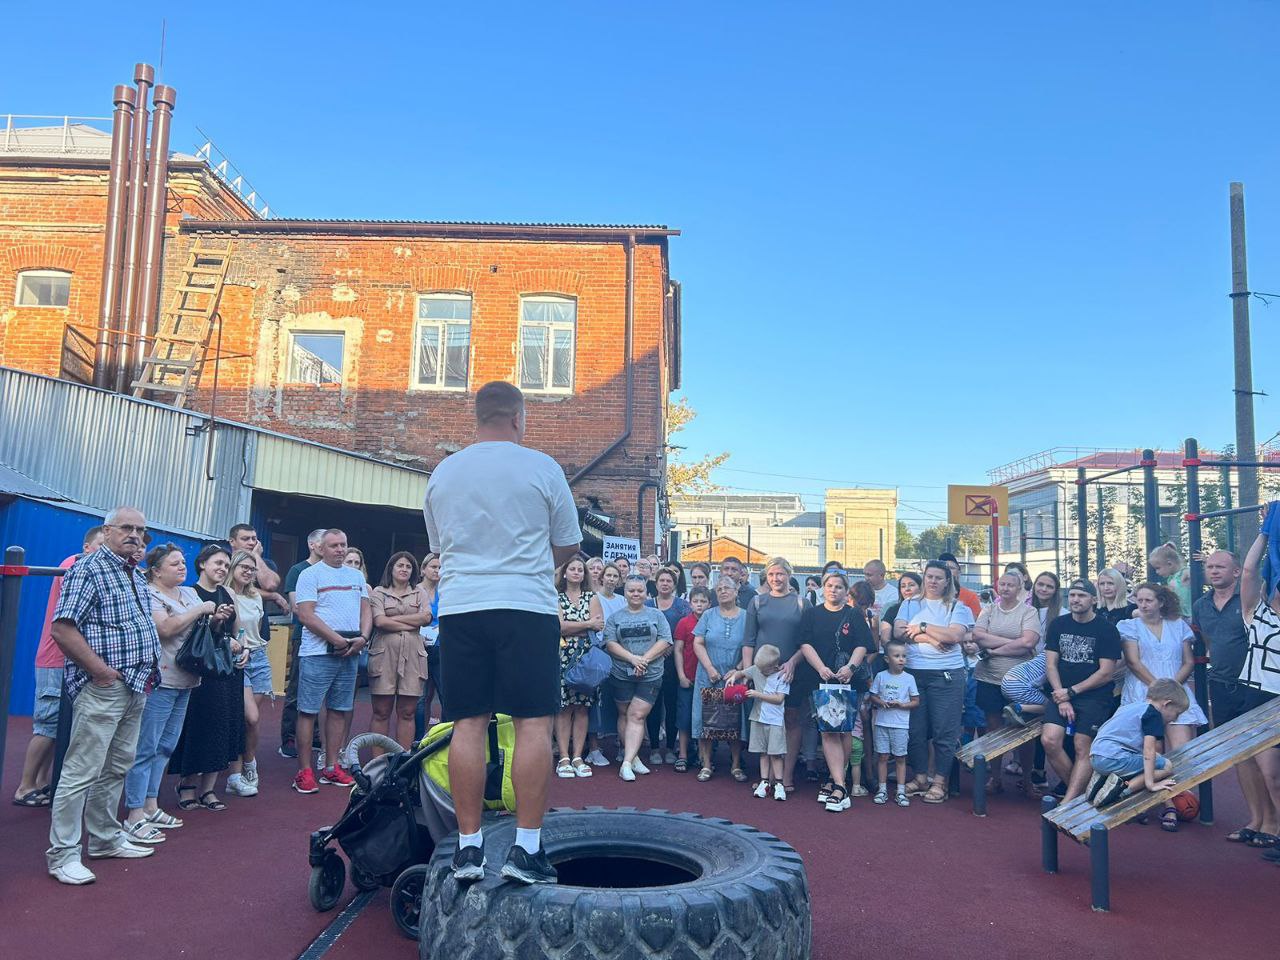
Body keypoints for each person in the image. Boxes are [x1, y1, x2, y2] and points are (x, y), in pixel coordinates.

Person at [423, 381, 580, 885]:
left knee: (467, 722)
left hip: (462, 607)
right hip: (526, 607)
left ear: (477, 416)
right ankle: (526, 848)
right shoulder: (541, 466)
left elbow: (440, 547)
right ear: (518, 417)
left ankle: (468, 849)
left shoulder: (444, 474)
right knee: (533, 723)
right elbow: (568, 545)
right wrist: (534, 569)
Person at [46, 507, 160, 884]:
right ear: (107, 531)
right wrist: (99, 671)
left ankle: (105, 839)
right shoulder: (89, 568)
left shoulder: (134, 572)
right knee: (81, 771)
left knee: (116, 767)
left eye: (140, 530)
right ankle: (63, 854)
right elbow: (63, 629)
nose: (134, 535)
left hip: (135, 684)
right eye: (126, 528)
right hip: (104, 687)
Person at [120, 544, 207, 844]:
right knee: (146, 746)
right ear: (156, 570)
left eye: (183, 562)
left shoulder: (190, 594)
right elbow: (166, 629)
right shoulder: (149, 593)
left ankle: (150, 804)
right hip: (161, 677)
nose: (183, 567)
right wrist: (201, 610)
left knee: (166, 746)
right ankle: (133, 813)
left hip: (188, 677)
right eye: (175, 564)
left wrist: (216, 616)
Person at [13, 525, 104, 808]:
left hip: (68, 658)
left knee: (60, 724)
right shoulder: (73, 565)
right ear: (87, 547)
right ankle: (25, 784)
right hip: (55, 658)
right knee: (48, 723)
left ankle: (40, 781)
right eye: (100, 545)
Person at [1194, 550, 1278, 846]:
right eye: (1210, 566)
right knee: (1240, 757)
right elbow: (1208, 641)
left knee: (1264, 758)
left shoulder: (1249, 602)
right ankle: (1255, 819)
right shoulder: (1201, 605)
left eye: (1220, 567)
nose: (1214, 571)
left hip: (1255, 687)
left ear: (1237, 571)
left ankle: (1272, 822)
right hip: (1221, 684)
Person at [1118, 582, 1207, 830]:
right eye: (1139, 600)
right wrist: (1158, 689)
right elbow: (1133, 662)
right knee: (1151, 751)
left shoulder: (1179, 626)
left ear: (1161, 602)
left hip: (1176, 694)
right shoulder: (1130, 626)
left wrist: (1171, 688)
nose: (1143, 605)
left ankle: (1180, 798)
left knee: (1181, 750)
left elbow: (1188, 661)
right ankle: (1163, 803)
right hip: (1143, 693)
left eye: (1148, 600)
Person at [292, 529, 371, 794]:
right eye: (334, 545)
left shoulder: (356, 576)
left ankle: (331, 766)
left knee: (339, 710)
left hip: (350, 652)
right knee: (308, 711)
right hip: (317, 653)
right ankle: (304, 771)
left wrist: (363, 637)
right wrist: (337, 640)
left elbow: (365, 610)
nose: (340, 550)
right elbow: (306, 615)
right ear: (321, 549)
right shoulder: (309, 575)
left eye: (343, 545)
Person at [894, 560, 975, 804]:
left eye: (939, 577)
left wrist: (921, 626)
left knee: (944, 731)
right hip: (914, 674)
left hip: (947, 676)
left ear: (947, 581)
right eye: (929, 576)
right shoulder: (908, 604)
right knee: (916, 731)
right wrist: (930, 638)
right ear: (924, 577)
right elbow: (898, 632)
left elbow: (953, 636)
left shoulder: (957, 607)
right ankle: (920, 777)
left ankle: (940, 782)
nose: (933, 581)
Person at [171, 544, 244, 812]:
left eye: (226, 564)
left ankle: (209, 788)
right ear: (202, 564)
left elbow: (237, 631)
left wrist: (242, 646)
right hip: (200, 669)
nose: (222, 568)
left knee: (222, 725)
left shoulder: (228, 593)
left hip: (226, 670)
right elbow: (188, 630)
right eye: (218, 563)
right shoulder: (190, 593)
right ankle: (187, 784)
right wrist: (212, 621)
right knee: (198, 725)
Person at [1039, 579, 1122, 802]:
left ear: (1094, 600)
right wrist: (1061, 696)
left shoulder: (1106, 630)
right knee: (1049, 740)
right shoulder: (1058, 624)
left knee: (1081, 746)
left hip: (1094, 697)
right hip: (1061, 694)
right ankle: (1082, 795)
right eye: (1073, 595)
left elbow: (1106, 672)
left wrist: (1072, 692)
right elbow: (1050, 664)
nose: (1076, 599)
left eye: (1082, 595)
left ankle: (1068, 802)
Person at [799, 569, 875, 812]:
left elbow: (864, 645)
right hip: (821, 678)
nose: (833, 590)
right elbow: (805, 643)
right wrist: (821, 667)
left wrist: (850, 668)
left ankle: (836, 782)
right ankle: (840, 784)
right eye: (830, 586)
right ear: (823, 588)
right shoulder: (812, 613)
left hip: (847, 681)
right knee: (828, 731)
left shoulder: (853, 614)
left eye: (839, 586)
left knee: (843, 731)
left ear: (846, 591)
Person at [743, 557, 807, 792]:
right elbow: (749, 640)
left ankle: (785, 776)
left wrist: (792, 663)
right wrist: (750, 672)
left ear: (789, 575)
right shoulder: (757, 602)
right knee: (764, 721)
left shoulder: (801, 603)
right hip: (762, 674)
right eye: (771, 575)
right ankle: (766, 778)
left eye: (780, 574)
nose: (776, 579)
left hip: (792, 673)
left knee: (789, 720)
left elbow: (806, 642)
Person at [972, 571, 1041, 783]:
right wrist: (1011, 643)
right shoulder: (989, 609)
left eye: (1011, 585)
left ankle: (1027, 779)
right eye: (1002, 584)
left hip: (1019, 681)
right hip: (989, 678)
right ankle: (995, 778)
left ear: (1020, 588)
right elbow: (977, 635)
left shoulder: (1029, 612)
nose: (1005, 588)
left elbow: (1028, 643)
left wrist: (995, 649)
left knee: (1023, 730)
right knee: (993, 729)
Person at [1240, 502, 1280, 865]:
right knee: (1270, 772)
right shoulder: (1258, 613)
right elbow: (1250, 569)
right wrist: (1268, 527)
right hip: (1259, 698)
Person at [603, 575, 673, 782]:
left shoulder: (657, 615)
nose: (635, 594)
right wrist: (632, 659)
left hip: (651, 674)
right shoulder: (615, 617)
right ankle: (632, 758)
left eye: (639, 591)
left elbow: (665, 640)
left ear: (646, 593)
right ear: (625, 593)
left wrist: (644, 660)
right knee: (624, 714)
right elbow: (610, 643)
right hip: (621, 673)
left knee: (637, 715)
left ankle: (625, 764)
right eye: (631, 590)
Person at [1087, 678, 1187, 808]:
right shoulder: (1153, 715)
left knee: (1149, 760)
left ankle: (1101, 780)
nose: (1175, 718)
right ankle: (1121, 790)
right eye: (1177, 713)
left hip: (1095, 756)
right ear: (1166, 704)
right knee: (1165, 765)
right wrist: (1151, 784)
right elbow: (1149, 750)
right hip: (1114, 758)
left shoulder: (1131, 707)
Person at [369, 551, 431, 751]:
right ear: (391, 568)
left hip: (413, 657)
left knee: (407, 711)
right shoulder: (378, 592)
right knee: (381, 711)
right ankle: (377, 763)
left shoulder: (419, 592)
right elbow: (379, 621)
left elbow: (426, 618)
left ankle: (401, 761)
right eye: (400, 565)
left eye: (408, 566)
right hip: (383, 655)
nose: (404, 569)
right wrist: (410, 622)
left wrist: (391, 620)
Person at [692, 578, 750, 783]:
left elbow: (751, 646)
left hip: (734, 676)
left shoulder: (746, 617)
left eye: (727, 588)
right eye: (719, 589)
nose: (723, 591)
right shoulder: (708, 615)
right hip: (708, 675)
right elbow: (697, 642)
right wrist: (709, 667)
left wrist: (739, 669)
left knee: (735, 720)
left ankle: (735, 764)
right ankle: (706, 764)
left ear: (736, 592)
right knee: (705, 720)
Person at [225, 549, 271, 798]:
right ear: (232, 567)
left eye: (251, 568)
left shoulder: (256, 597)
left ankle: (245, 766)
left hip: (259, 657)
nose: (247, 571)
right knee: (248, 717)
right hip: (237, 658)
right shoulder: (225, 594)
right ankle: (242, 767)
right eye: (242, 566)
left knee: (251, 722)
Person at [279, 528, 326, 759]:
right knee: (297, 688)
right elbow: (297, 607)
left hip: (327, 638)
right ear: (312, 545)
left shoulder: (330, 572)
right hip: (305, 636)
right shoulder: (298, 570)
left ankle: (314, 734)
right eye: (323, 542)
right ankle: (288, 735)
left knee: (318, 691)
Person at [555, 557, 604, 778]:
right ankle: (564, 756)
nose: (576, 572)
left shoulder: (591, 597)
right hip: (562, 656)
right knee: (564, 708)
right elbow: (559, 627)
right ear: (564, 573)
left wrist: (575, 627)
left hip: (587, 658)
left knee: (583, 707)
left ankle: (578, 756)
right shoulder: (555, 597)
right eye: (572, 569)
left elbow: (599, 625)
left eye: (580, 570)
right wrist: (586, 625)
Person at [726, 643, 790, 801]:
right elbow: (742, 672)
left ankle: (779, 784)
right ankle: (764, 782)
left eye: (764, 669)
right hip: (758, 718)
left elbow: (779, 699)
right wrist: (734, 677)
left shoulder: (782, 676)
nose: (760, 672)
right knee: (763, 752)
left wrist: (757, 694)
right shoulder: (757, 669)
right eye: (759, 668)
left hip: (775, 720)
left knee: (775, 754)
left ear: (774, 666)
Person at [645, 568, 690, 765]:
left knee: (672, 707)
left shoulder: (683, 606)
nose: (665, 583)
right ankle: (654, 748)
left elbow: (687, 632)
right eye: (661, 580)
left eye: (669, 581)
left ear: (674, 584)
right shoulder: (647, 605)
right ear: (656, 584)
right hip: (651, 662)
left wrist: (670, 648)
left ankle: (671, 747)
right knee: (653, 706)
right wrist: (655, 652)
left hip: (674, 664)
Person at [584, 561, 627, 766]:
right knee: (596, 701)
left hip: (619, 652)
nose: (611, 579)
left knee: (619, 701)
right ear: (601, 577)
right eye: (608, 575)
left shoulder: (622, 600)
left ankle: (623, 746)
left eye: (615, 576)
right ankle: (593, 748)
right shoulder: (594, 597)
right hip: (600, 651)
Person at [868, 639, 920, 807]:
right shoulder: (881, 676)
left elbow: (916, 701)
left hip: (900, 725)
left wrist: (902, 705)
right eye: (897, 656)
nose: (901, 659)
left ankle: (901, 790)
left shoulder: (909, 678)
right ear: (887, 659)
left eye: (904, 656)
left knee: (900, 757)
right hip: (882, 723)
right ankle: (882, 789)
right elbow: (873, 696)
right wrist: (880, 702)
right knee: (882, 756)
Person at [673, 586, 711, 772]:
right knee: (684, 717)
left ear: (709, 604)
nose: (699, 605)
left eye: (703, 601)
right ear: (690, 603)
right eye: (696, 601)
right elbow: (678, 650)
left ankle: (704, 757)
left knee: (706, 718)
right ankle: (682, 754)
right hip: (689, 678)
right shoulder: (684, 623)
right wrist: (681, 675)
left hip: (707, 679)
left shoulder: (713, 621)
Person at [416, 552, 444, 739]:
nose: (437, 571)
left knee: (443, 695)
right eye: (433, 566)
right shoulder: (414, 590)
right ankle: (419, 739)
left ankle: (442, 738)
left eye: (441, 567)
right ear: (423, 569)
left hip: (441, 647)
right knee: (421, 698)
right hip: (419, 647)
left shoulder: (446, 591)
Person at [1149, 542, 1192, 617]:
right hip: (1178, 615)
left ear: (1169, 564)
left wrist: (1204, 562)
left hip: (1188, 615)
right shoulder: (1171, 578)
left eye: (1158, 568)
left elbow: (1197, 575)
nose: (1157, 572)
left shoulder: (1184, 573)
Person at [880, 572, 921, 649]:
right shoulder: (893, 609)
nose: (907, 589)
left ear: (921, 588)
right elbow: (885, 639)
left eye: (911, 585)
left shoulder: (927, 608)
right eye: (903, 586)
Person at [939, 552, 982, 618]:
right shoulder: (930, 595)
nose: (947, 571)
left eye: (951, 568)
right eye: (944, 568)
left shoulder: (970, 596)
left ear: (959, 572)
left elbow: (975, 622)